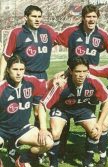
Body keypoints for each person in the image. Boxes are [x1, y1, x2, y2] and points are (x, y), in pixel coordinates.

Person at [0, 5, 57, 163]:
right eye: (34, 16)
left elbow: (62, 39)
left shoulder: (47, 31)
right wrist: (1, 78)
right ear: (26, 17)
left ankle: (33, 147)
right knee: (12, 109)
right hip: (22, 74)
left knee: (39, 111)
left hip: (40, 76)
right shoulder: (17, 33)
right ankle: (11, 142)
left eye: (39, 16)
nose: (37, 19)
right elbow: (6, 56)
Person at [55, 4, 108, 161]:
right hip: (72, 78)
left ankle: (88, 155)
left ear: (97, 18)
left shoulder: (102, 35)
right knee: (64, 117)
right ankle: (60, 152)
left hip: (91, 82)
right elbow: (54, 40)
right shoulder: (72, 32)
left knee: (89, 115)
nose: (91, 19)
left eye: (94, 16)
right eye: (88, 16)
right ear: (83, 18)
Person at [39, 57, 108, 167]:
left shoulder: (93, 81)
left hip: (82, 109)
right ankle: (53, 163)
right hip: (62, 109)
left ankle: (87, 162)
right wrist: (43, 129)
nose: (81, 75)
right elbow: (42, 104)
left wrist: (100, 123)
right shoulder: (62, 84)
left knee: (95, 132)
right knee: (55, 133)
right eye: (78, 71)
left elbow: (107, 100)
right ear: (71, 71)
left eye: (84, 71)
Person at [0, 55, 53, 167]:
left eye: (21, 69)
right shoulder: (1, 88)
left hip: (22, 128)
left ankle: (23, 159)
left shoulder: (31, 82)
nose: (19, 73)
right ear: (8, 70)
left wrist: (43, 128)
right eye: (15, 69)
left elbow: (47, 85)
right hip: (2, 130)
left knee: (48, 142)